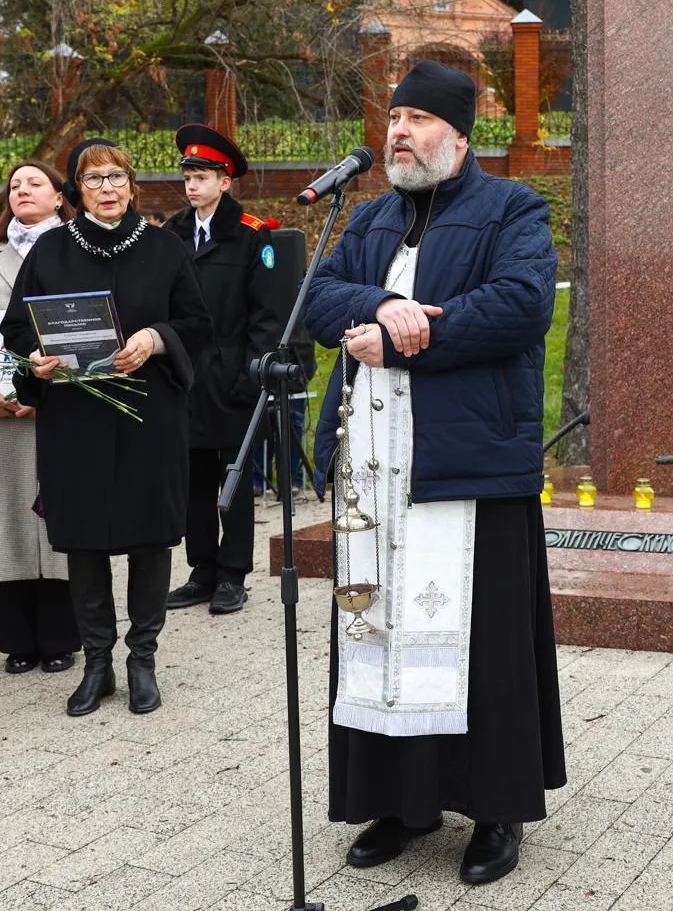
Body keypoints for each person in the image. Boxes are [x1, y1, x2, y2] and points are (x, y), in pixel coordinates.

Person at [304, 60, 563, 886]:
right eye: (394, 119)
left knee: (480, 644)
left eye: (417, 120)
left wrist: (414, 339)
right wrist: (379, 306)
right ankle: (399, 802)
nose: (399, 133)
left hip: (469, 464)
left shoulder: (512, 207)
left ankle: (494, 809)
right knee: (378, 630)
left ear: (459, 134)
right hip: (373, 470)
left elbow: (522, 304)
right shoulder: (370, 217)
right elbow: (317, 299)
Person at [1, 138, 211, 717]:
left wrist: (156, 339)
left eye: (117, 176)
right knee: (84, 538)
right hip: (76, 416)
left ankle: (142, 659)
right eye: (94, 179)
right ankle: (97, 662)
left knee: (149, 536)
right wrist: (35, 359)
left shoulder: (164, 246)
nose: (107, 188)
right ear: (76, 190)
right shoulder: (50, 249)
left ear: (132, 184)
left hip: (149, 413)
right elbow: (17, 328)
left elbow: (197, 323)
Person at [0, 161, 80, 674]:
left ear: (59, 196)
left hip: (62, 408)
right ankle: (20, 640)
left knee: (60, 520)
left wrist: (51, 386)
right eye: (14, 185)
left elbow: (90, 324)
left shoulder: (79, 248)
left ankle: (63, 637)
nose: (22, 190)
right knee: (9, 519)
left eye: (35, 183)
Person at [163, 124, 285, 615]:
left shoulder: (251, 235)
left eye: (202, 177)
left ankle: (233, 574)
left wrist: (253, 374)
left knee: (233, 480)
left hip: (233, 374)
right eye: (187, 177)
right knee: (193, 481)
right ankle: (202, 571)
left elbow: (268, 315)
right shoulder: (172, 234)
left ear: (225, 181)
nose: (192, 186)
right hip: (186, 375)